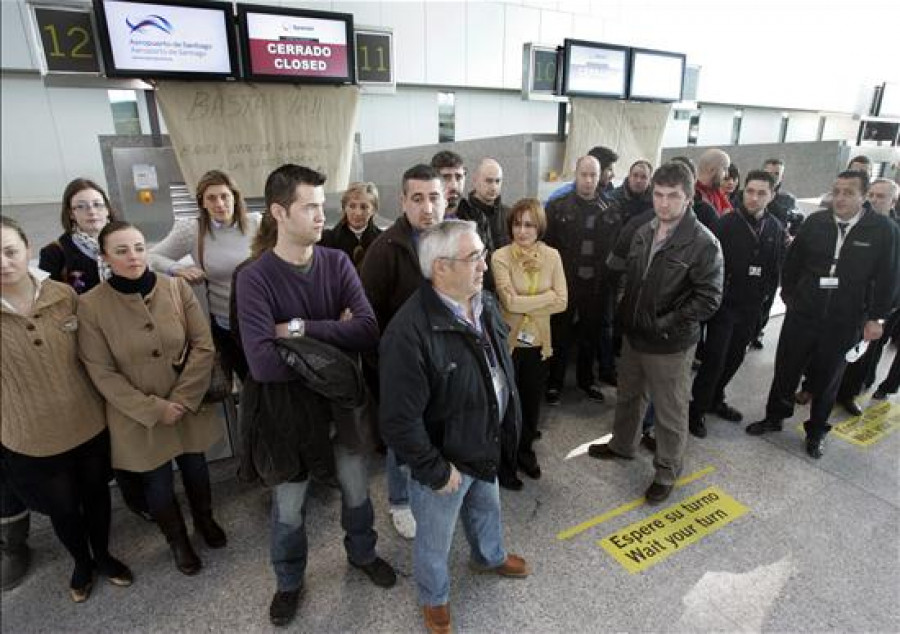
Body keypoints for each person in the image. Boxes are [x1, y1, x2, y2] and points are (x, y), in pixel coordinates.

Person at [235, 164, 396, 627]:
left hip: (342, 406)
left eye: (322, 205)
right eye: (309, 206)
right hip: (286, 413)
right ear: (279, 212)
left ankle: (362, 555)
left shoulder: (337, 262)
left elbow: (366, 330)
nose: (321, 215)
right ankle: (289, 581)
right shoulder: (255, 278)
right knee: (289, 506)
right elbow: (262, 363)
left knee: (356, 489)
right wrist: (334, 338)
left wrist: (297, 331)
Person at [380, 219, 528, 634]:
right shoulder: (408, 334)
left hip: (483, 440)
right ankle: (434, 598)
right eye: (474, 257)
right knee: (435, 539)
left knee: (488, 507)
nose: (484, 264)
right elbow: (398, 421)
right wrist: (435, 470)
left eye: (482, 253)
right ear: (440, 268)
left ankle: (489, 556)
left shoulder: (482, 302)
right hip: (444, 460)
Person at [78, 221, 225, 576]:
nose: (134, 257)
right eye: (122, 251)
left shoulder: (175, 288)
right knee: (157, 482)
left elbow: (203, 346)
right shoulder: (90, 306)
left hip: (185, 404)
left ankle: (204, 520)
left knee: (195, 467)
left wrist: (183, 398)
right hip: (136, 414)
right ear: (104, 257)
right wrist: (156, 408)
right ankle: (177, 540)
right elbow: (101, 372)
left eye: (140, 247)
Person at [1, 216, 132, 602]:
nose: (4, 262)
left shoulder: (64, 295)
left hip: (87, 422)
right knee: (62, 509)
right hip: (31, 436)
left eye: (10, 251)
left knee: (96, 495)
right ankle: (81, 562)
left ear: (27, 249)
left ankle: (104, 555)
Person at [589, 162, 723, 504]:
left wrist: (664, 323)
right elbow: (627, 276)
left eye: (672, 196)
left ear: (689, 198)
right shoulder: (645, 230)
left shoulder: (704, 243)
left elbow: (709, 299)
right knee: (629, 396)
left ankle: (666, 472)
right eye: (659, 195)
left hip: (670, 343)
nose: (663, 203)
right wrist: (624, 307)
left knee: (670, 411)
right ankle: (623, 445)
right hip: (635, 335)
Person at [746, 171, 899, 458]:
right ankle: (774, 416)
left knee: (829, 378)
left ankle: (816, 431)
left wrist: (877, 318)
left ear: (863, 196)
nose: (840, 198)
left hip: (846, 318)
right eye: (837, 191)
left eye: (848, 192)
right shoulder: (816, 222)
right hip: (804, 312)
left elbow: (889, 277)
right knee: (786, 368)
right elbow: (794, 262)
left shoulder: (883, 230)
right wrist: (789, 294)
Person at [360, 164, 448, 526]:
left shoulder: (454, 239)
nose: (427, 208)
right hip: (401, 366)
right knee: (402, 437)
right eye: (418, 199)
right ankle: (399, 502)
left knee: (437, 430)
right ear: (402, 201)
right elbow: (368, 318)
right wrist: (388, 369)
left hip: (444, 361)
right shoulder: (385, 249)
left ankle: (433, 487)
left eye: (434, 198)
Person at [688, 171, 786, 437]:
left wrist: (765, 304)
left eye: (761, 193)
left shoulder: (775, 227)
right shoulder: (726, 224)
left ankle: (715, 399)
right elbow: (710, 266)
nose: (754, 198)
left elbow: (774, 268)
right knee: (715, 359)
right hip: (724, 305)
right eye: (750, 191)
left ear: (772, 195)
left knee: (735, 357)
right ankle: (696, 409)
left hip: (751, 306)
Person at [149, 169, 260, 383]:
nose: (219, 204)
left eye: (224, 196)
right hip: (225, 322)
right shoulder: (192, 230)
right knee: (248, 381)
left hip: (261, 318)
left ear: (235, 198)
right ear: (202, 202)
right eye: (211, 198)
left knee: (268, 381)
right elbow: (150, 257)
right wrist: (177, 269)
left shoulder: (256, 223)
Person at [491, 199, 567, 482]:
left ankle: (525, 453)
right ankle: (505, 461)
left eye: (529, 225)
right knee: (508, 406)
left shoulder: (553, 256)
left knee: (532, 403)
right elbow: (509, 303)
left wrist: (529, 302)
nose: (522, 231)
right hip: (509, 344)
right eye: (517, 224)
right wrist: (546, 298)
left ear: (539, 227)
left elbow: (563, 302)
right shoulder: (500, 257)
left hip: (538, 344)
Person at [544, 155, 622, 405]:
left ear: (601, 178)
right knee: (560, 333)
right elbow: (547, 248)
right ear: (575, 175)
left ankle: (586, 381)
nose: (588, 181)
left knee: (591, 335)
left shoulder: (612, 210)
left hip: (597, 285)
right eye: (584, 175)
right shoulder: (556, 208)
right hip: (565, 283)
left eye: (593, 175)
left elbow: (617, 250)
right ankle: (554, 383)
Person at [837, 178, 900, 406]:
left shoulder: (895, 231)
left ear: (893, 201)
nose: (873, 200)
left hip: (881, 306)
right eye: (871, 194)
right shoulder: (852, 223)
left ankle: (848, 394)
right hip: (847, 301)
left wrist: (882, 311)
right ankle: (814, 388)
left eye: (880, 196)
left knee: (866, 353)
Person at [38, 178, 117, 292]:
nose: (91, 211)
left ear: (107, 209)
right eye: (81, 206)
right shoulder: (53, 253)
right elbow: (50, 299)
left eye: (97, 204)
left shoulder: (126, 242)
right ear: (71, 214)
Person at [320, 181, 382, 268]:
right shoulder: (327, 240)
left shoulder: (382, 241)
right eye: (352, 206)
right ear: (344, 207)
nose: (358, 213)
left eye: (364, 207)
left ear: (374, 210)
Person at [456, 158, 509, 255]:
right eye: (489, 181)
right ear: (475, 180)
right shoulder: (462, 214)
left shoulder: (509, 214)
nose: (493, 187)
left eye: (497, 181)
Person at [694, 148, 732, 216]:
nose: (727, 174)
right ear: (711, 169)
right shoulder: (692, 194)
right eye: (724, 169)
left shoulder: (716, 191)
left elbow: (730, 215)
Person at [431, 151, 466, 218]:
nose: (454, 186)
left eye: (459, 177)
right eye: (446, 178)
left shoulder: (478, 217)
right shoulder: (421, 219)